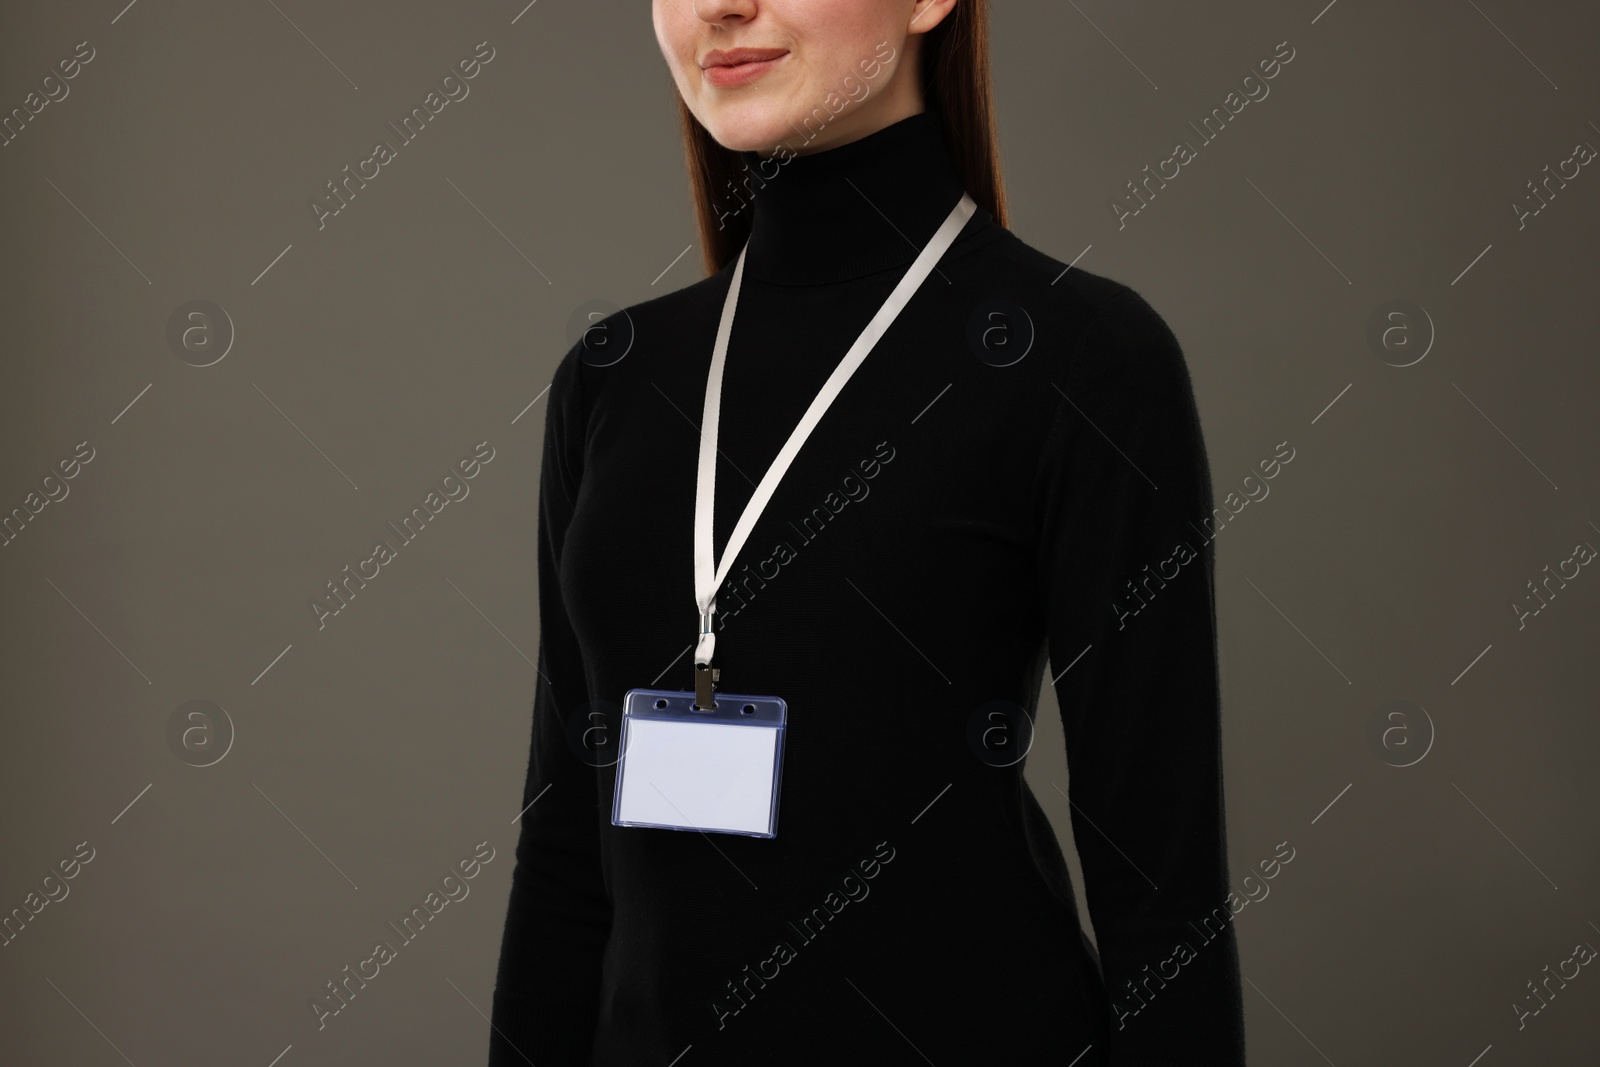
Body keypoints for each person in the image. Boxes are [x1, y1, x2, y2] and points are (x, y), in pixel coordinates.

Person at [488, 1, 1247, 1063]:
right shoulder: (614, 379)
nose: (720, 5)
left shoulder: (1080, 358)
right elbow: (566, 854)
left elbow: (1162, 894)